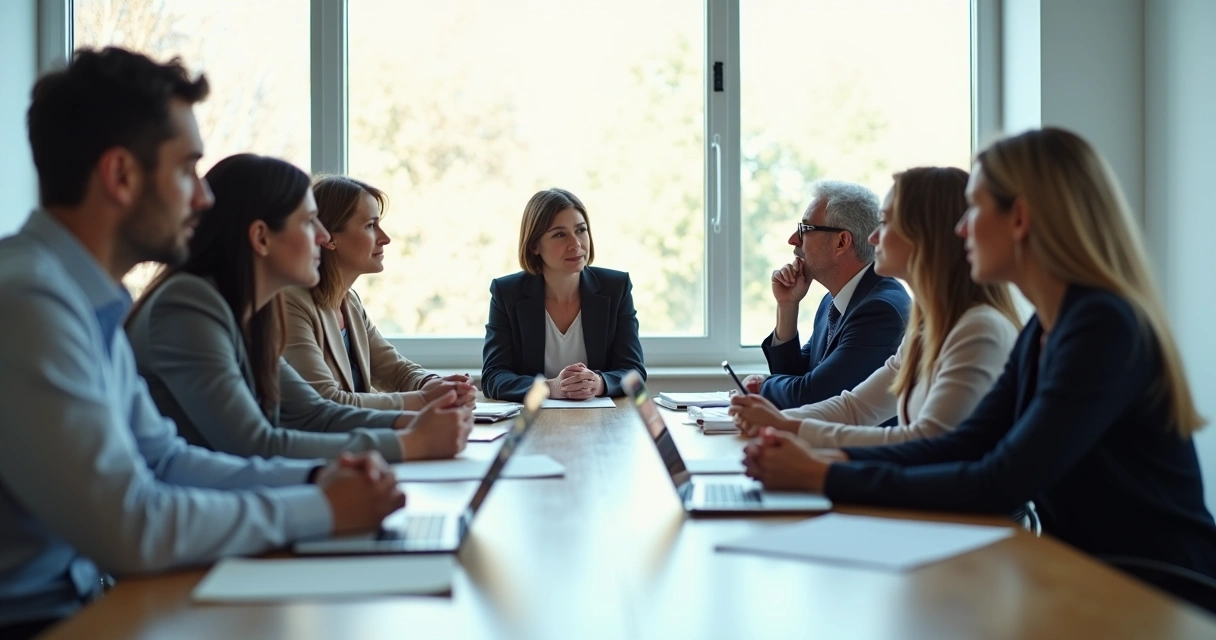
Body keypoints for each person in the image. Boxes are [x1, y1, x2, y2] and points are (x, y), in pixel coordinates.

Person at [0, 47, 401, 639]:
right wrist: (320, 507)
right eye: (188, 170)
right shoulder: (29, 303)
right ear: (121, 176)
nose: (204, 198)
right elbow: (131, 525)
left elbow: (165, 461)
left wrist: (322, 482)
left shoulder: (84, 300)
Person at [744, 128, 1216, 584]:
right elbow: (962, 444)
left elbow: (1001, 479)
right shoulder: (1042, 329)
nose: (960, 227)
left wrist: (824, 473)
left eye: (975, 208)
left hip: (1157, 589)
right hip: (1089, 575)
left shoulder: (1101, 327)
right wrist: (815, 450)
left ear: (1020, 218)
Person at [126, 154, 472, 463]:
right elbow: (254, 444)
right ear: (261, 238)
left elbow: (313, 413)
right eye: (309, 221)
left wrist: (416, 423)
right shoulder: (188, 303)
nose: (323, 236)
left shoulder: (249, 310)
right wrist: (410, 442)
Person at [730, 167, 1021, 449]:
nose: (872, 237)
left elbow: (925, 441)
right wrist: (776, 423)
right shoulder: (927, 327)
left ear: (924, 236)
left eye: (886, 222)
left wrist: (796, 441)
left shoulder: (979, 328)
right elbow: (856, 407)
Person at [281, 175, 476, 411]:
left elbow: (396, 370)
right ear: (329, 237)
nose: (385, 238)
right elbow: (325, 401)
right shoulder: (291, 302)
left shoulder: (349, 302)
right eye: (370, 226)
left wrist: (437, 384)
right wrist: (425, 398)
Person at [747, 180, 911, 410]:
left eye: (805, 229)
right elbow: (797, 377)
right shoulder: (833, 302)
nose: (793, 239)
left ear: (841, 242)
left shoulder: (879, 311)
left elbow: (812, 396)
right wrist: (787, 306)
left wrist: (763, 386)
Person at [482, 188, 645, 402]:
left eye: (580, 230)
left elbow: (633, 372)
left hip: (602, 422)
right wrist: (550, 388)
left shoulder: (616, 288)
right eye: (560, 234)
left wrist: (598, 383)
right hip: (533, 424)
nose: (576, 244)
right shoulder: (507, 293)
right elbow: (493, 376)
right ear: (534, 246)